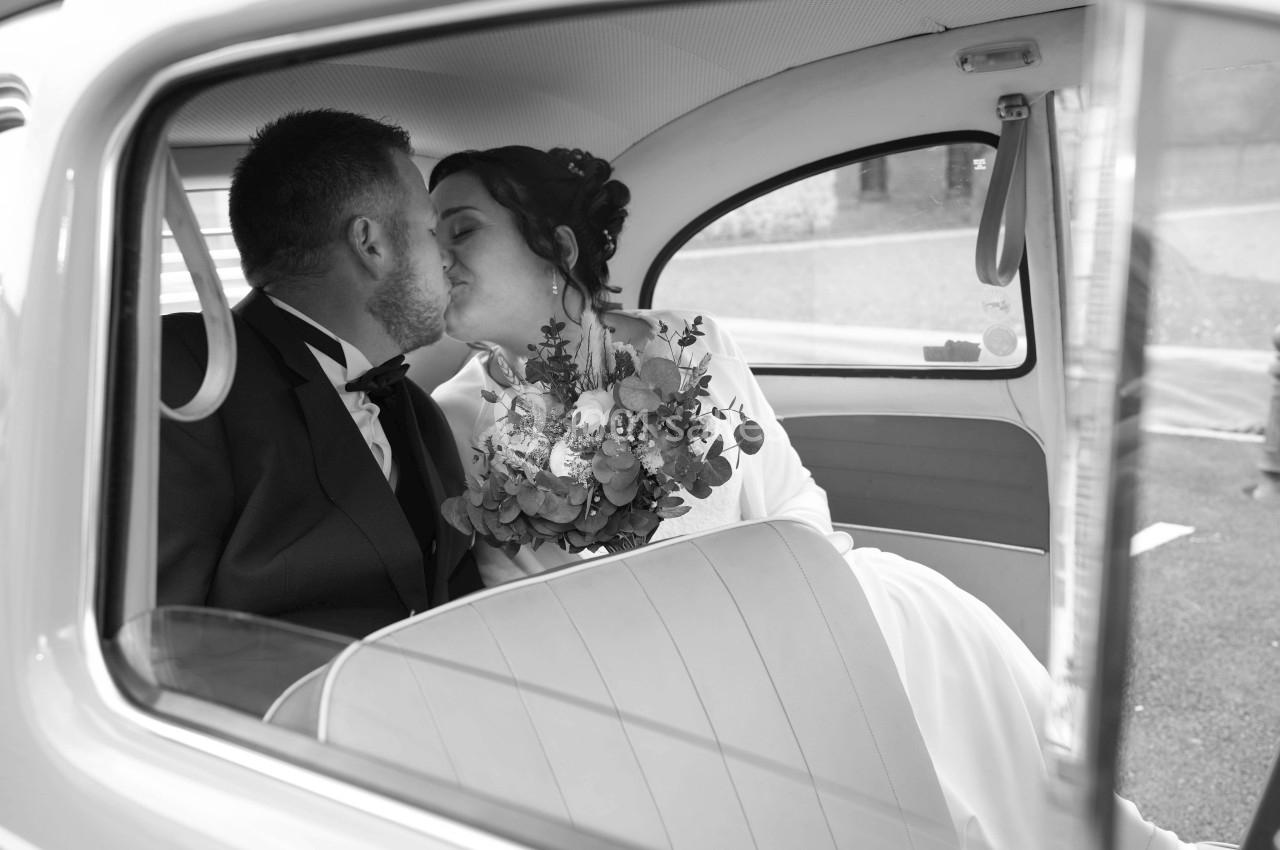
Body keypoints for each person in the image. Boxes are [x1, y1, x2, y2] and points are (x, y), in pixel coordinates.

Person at [427, 145, 1197, 850]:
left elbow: (793, 502)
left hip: (780, 608)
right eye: (430, 238)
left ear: (558, 248)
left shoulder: (690, 342)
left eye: (461, 230)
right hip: (633, 676)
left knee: (914, 625)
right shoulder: (456, 417)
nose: (439, 256)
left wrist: (771, 622)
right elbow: (513, 607)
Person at [158, 109, 481, 641]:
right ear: (370, 244)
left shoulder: (419, 412)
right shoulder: (193, 372)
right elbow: (156, 638)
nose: (447, 259)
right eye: (430, 230)